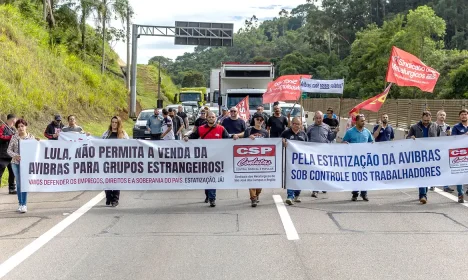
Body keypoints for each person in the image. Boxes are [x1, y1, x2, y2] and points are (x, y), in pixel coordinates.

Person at [185, 111, 231, 207]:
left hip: (216, 159)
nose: (211, 118)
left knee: (212, 177)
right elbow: (193, 137)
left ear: (215, 118)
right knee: (206, 178)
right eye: (209, 117)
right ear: (206, 118)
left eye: (213, 117)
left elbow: (228, 140)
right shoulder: (201, 129)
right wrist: (187, 137)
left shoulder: (221, 129)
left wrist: (234, 137)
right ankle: (208, 194)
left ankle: (212, 198)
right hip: (205, 158)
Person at [7, 119, 40, 213]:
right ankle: (20, 204)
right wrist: (15, 156)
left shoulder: (31, 137)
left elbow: (36, 149)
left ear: (26, 126)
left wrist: (38, 141)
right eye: (18, 127)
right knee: (19, 183)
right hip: (15, 163)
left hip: (27, 164)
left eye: (22, 126)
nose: (20, 128)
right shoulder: (14, 137)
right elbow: (9, 150)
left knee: (24, 183)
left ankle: (24, 204)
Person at [407, 111, 438, 204]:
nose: (426, 122)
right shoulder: (414, 127)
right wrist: (411, 138)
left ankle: (424, 192)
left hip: (431, 154)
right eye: (424, 120)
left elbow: (439, 138)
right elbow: (407, 138)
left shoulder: (435, 126)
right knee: (422, 174)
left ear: (431, 118)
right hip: (419, 154)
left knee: (427, 175)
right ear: (421, 118)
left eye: (428, 120)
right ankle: (423, 195)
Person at [306, 111, 338, 197]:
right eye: (317, 118)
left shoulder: (326, 127)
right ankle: (315, 189)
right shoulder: (310, 128)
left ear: (322, 118)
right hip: (313, 153)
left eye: (320, 118)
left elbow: (330, 137)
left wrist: (335, 132)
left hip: (324, 153)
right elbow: (306, 138)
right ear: (314, 118)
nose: (318, 120)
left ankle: (323, 185)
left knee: (323, 170)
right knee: (315, 171)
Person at [342, 114, 374, 201]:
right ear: (356, 122)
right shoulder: (350, 132)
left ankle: (364, 194)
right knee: (355, 177)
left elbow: (372, 142)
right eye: (362, 121)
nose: (364, 122)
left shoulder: (367, 132)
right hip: (354, 159)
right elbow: (344, 142)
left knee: (364, 177)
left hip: (364, 159)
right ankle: (355, 194)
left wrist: (372, 144)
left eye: (364, 120)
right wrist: (345, 144)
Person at [102, 116, 129, 207]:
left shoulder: (123, 134)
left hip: (118, 162)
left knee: (116, 180)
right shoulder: (106, 134)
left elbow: (129, 146)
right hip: (107, 161)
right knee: (107, 180)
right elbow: (99, 144)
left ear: (119, 123)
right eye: (112, 122)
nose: (114, 124)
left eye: (116, 122)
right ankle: (108, 196)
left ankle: (115, 199)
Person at [244, 113, 269, 207]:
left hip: (261, 160)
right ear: (254, 120)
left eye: (261, 119)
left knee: (260, 181)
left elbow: (269, 145)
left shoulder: (265, 132)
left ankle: (257, 194)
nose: (259, 121)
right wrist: (248, 138)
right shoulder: (249, 130)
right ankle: (253, 198)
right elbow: (242, 144)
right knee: (251, 179)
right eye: (257, 119)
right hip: (250, 160)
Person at [282, 117, 308, 205]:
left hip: (301, 160)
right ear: (291, 124)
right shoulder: (286, 133)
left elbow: (308, 146)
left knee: (299, 177)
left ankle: (297, 194)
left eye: (298, 124)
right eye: (294, 124)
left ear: (301, 125)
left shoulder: (303, 134)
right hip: (290, 161)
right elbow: (279, 142)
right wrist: (283, 143)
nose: (296, 126)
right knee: (291, 177)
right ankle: (290, 196)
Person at [431, 110, 453, 192]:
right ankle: (432, 184)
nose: (442, 116)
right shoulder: (433, 125)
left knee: (445, 168)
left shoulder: (447, 126)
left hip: (444, 150)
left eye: (443, 115)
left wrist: (449, 134)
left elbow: (450, 138)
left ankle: (446, 186)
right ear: (437, 116)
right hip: (435, 149)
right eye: (440, 115)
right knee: (434, 167)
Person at [451, 109, 468, 202]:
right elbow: (453, 139)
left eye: (465, 114)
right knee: (460, 173)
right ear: (459, 117)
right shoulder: (456, 127)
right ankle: (460, 194)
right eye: (462, 114)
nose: (464, 116)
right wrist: (464, 135)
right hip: (461, 154)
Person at [0, 114, 17, 194]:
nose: (16, 121)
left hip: (11, 155)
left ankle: (12, 188)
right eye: (15, 119)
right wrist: (10, 137)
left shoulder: (13, 129)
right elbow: (1, 137)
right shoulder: (3, 127)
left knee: (12, 172)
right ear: (12, 119)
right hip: (2, 154)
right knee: (0, 173)